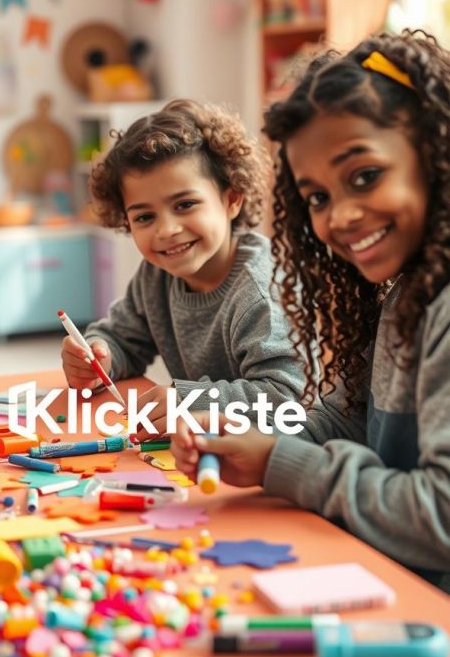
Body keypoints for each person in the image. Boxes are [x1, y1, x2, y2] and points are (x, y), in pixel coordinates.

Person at [172, 30, 450, 592]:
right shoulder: (404, 295)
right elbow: (346, 421)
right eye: (318, 197)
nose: (340, 216)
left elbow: (441, 516)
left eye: (365, 177)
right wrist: (252, 431)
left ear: (434, 155)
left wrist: (280, 462)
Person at [61, 98, 306, 438]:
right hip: (208, 454)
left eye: (185, 204)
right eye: (145, 217)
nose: (166, 230)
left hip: (278, 457)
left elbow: (286, 399)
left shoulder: (258, 291)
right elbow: (123, 338)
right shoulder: (156, 276)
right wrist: (100, 357)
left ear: (232, 199)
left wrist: (189, 401)